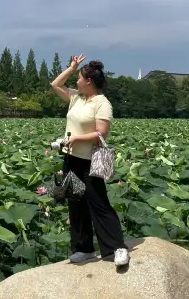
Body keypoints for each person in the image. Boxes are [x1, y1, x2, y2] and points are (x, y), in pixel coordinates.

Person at [50, 54, 130, 267]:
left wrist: (76, 138)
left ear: (88, 81)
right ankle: (83, 249)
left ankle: (118, 248)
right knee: (76, 205)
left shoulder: (102, 103)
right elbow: (55, 84)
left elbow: (101, 134)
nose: (75, 80)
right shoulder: (77, 98)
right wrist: (71, 67)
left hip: (90, 161)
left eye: (78, 77)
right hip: (71, 158)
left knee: (99, 204)